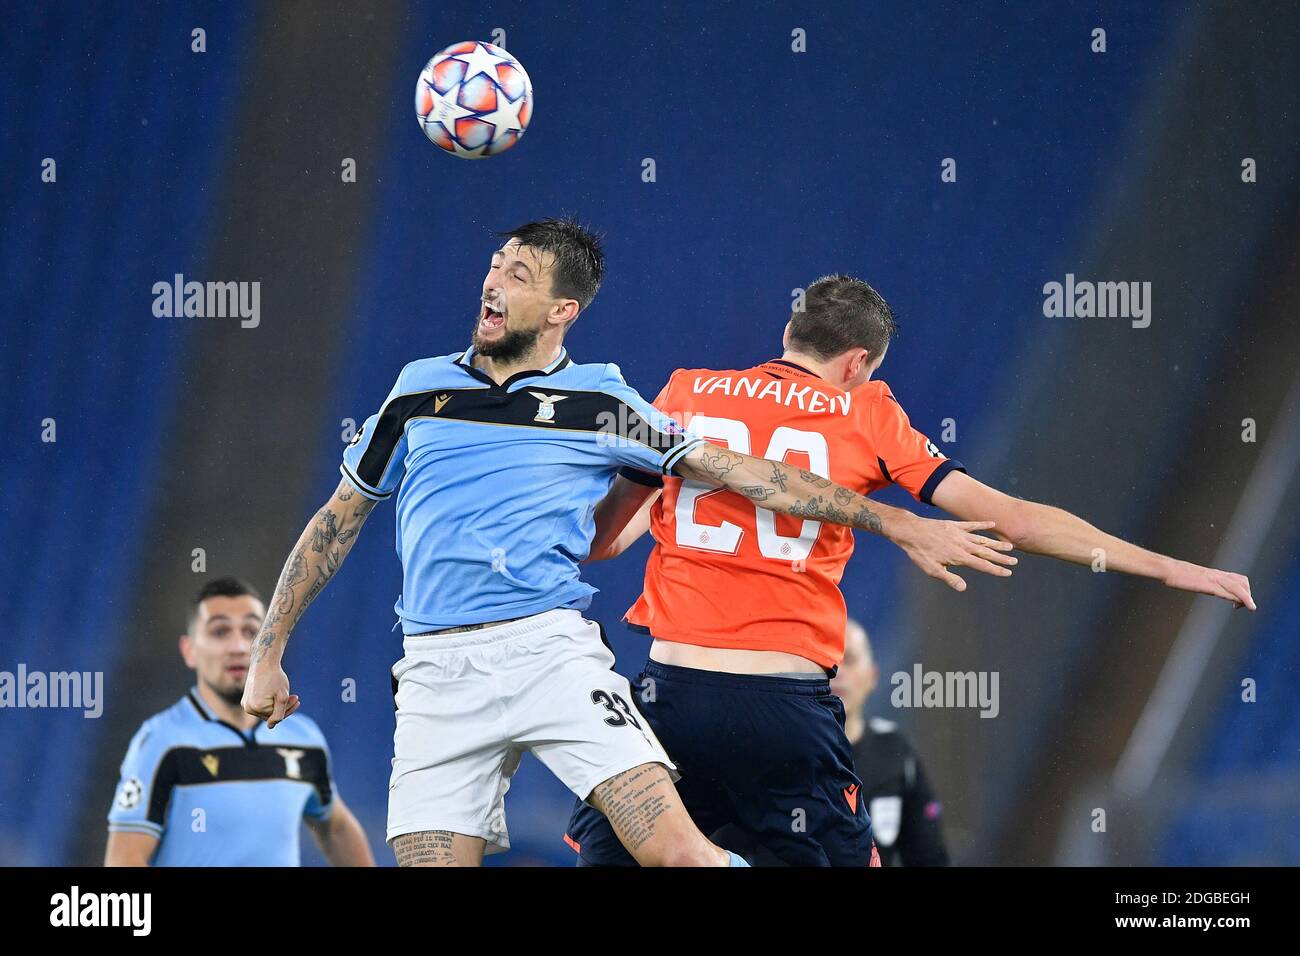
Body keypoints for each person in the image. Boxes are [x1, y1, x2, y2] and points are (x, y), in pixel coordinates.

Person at [241, 221, 1009, 868]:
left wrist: (895, 519)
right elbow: (335, 522)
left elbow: (739, 471)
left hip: (551, 654)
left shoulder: (603, 402)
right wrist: (270, 651)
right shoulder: (417, 390)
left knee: (676, 853)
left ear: (561, 310)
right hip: (436, 673)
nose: (495, 280)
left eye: (519, 272)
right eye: (494, 264)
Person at [564, 272, 1255, 866]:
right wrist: (1168, 569)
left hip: (666, 698)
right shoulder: (865, 413)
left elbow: (604, 540)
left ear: (790, 330)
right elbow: (1010, 519)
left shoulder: (687, 392)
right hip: (781, 712)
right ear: (859, 361)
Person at [105, 577, 373, 866]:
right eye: (220, 632)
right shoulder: (162, 742)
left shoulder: (303, 739)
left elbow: (335, 828)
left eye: (251, 632)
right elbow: (124, 860)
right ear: (189, 650)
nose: (239, 646)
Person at [832, 618, 949, 867]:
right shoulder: (776, 752)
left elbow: (929, 856)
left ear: (872, 676)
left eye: (849, 660)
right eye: (828, 660)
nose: (837, 671)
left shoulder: (896, 752)